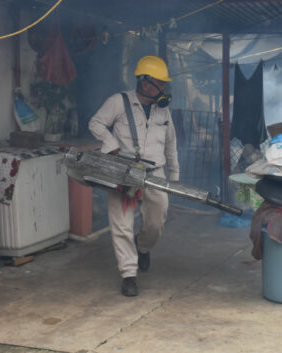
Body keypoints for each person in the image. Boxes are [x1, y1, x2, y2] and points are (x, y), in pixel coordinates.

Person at [88, 56, 180, 297]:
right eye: (161, 83)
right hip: (124, 172)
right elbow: (96, 123)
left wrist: (175, 174)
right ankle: (129, 274)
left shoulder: (164, 110)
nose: (165, 88)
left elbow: (171, 144)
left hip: (155, 173)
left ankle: (144, 247)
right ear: (145, 83)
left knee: (156, 221)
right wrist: (110, 144)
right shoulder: (118, 102)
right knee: (122, 225)